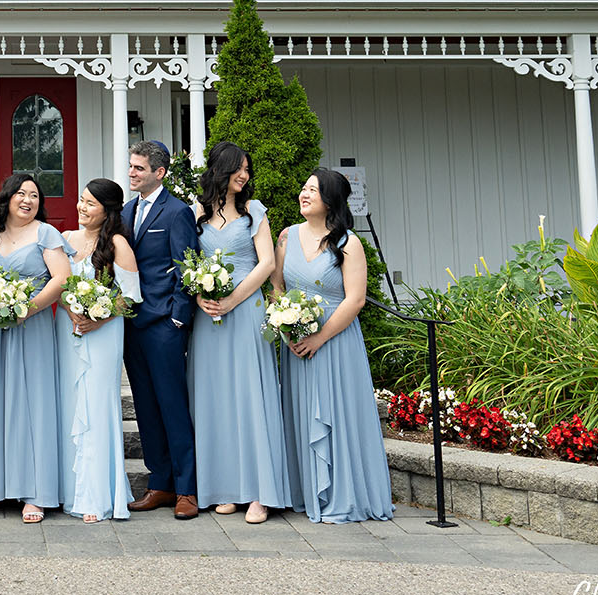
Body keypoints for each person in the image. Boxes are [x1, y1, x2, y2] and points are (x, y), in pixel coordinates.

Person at [275, 168, 394, 524]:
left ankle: (342, 493)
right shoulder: (286, 237)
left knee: (336, 413)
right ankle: (305, 490)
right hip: (296, 341)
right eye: (304, 188)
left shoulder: (348, 243)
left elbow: (355, 300)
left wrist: (319, 337)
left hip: (335, 342)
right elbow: (277, 286)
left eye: (312, 190)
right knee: (300, 411)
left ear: (331, 199)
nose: (304, 194)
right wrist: (288, 327)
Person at [188, 142, 293, 524]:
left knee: (249, 397)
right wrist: (200, 293)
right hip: (208, 318)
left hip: (245, 310)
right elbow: (187, 261)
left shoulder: (253, 211)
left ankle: (259, 492)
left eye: (248, 169)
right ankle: (225, 487)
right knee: (215, 398)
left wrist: (232, 299)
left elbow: (266, 263)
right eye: (239, 168)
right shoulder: (195, 212)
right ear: (222, 168)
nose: (244, 175)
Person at [0, 172, 71, 522]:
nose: (28, 200)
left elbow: (62, 278)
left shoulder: (46, 234)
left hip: (34, 327)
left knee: (33, 404)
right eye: (21, 194)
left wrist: (29, 308)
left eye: (35, 196)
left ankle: (35, 492)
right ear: (8, 197)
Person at [122, 139, 203, 520]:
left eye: (139, 168)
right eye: (131, 166)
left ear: (160, 172)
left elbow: (188, 268)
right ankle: (160, 483)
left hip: (164, 325)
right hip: (131, 325)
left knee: (172, 405)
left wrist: (178, 318)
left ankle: (187, 488)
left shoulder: (177, 212)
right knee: (146, 408)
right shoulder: (125, 211)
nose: (131, 173)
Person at [56, 179, 141, 523]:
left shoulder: (118, 243)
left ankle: (96, 495)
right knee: (70, 403)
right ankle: (68, 489)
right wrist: (70, 308)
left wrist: (99, 315)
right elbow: (56, 286)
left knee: (95, 406)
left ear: (107, 210)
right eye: (81, 200)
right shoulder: (64, 240)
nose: (81, 207)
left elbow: (132, 295)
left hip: (103, 334)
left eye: (90, 203)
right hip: (67, 329)